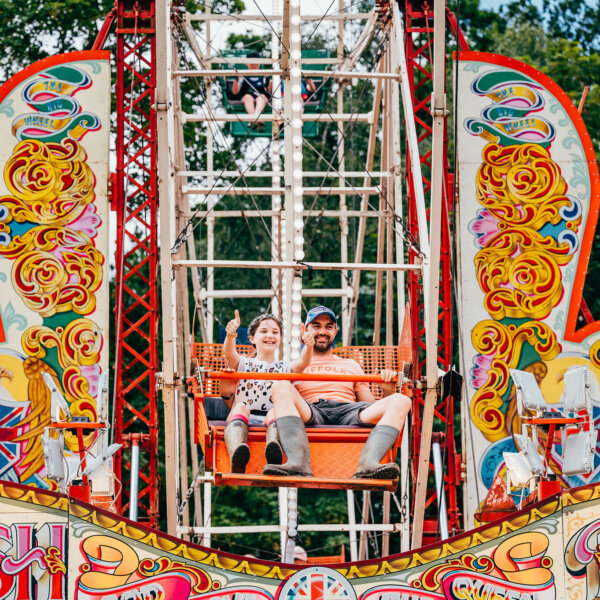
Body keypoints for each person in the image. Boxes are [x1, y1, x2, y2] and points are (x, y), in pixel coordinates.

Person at [263, 306, 412, 479]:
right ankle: (297, 462)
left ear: (335, 331)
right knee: (281, 385)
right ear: (305, 330)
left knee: (402, 400)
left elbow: (370, 405)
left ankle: (369, 463)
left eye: (328, 327)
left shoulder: (351, 365)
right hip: (313, 410)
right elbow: (283, 400)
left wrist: (388, 392)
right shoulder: (295, 365)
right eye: (316, 326)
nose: (323, 332)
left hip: (348, 411)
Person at [222, 310, 314, 473]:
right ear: (252, 338)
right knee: (241, 407)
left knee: (275, 412)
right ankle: (237, 452)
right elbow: (229, 354)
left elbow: (302, 363)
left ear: (280, 339)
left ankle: (274, 448)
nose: (270, 335)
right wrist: (230, 336)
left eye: (275, 332)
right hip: (245, 416)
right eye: (264, 331)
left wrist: (308, 346)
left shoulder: (284, 367)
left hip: (268, 418)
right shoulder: (245, 363)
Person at [231, 51, 271, 125]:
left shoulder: (264, 75)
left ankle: (254, 118)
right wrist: (236, 79)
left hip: (261, 96)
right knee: (248, 97)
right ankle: (255, 119)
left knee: (262, 97)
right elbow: (235, 92)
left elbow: (268, 91)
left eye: (255, 62)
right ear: (247, 63)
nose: (254, 65)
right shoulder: (242, 75)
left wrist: (269, 81)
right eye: (251, 62)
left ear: (259, 63)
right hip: (246, 96)